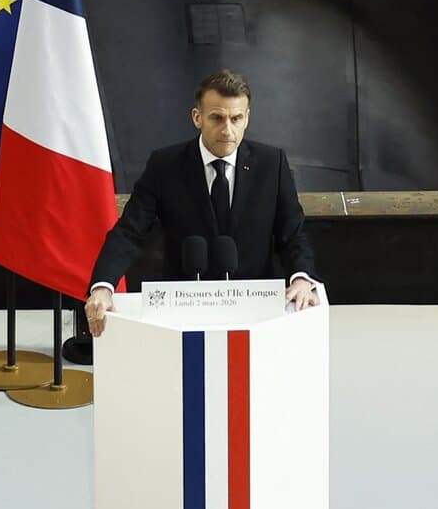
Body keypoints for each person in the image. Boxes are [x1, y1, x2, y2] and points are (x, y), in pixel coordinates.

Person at [84, 70, 321, 337]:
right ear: (198, 118)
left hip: (254, 314)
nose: (227, 130)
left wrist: (302, 277)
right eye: (217, 118)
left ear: (247, 118)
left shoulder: (271, 164)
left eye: (236, 118)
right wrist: (103, 286)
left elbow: (292, 234)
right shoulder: (166, 165)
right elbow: (130, 231)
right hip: (182, 314)